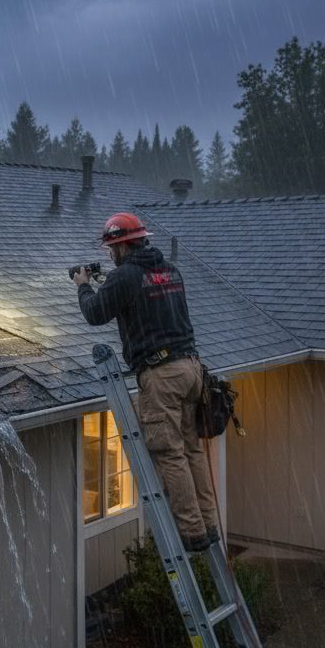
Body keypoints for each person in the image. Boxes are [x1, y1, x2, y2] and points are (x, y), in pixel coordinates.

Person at [72, 212, 219, 552]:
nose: (110, 254)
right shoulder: (169, 270)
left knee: (169, 454)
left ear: (123, 246)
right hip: (192, 370)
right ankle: (209, 525)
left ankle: (192, 533)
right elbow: (138, 288)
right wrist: (108, 278)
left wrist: (83, 285)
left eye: (112, 248)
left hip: (161, 376)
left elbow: (95, 312)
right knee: (192, 449)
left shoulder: (125, 277)